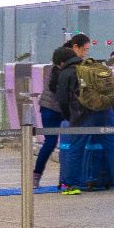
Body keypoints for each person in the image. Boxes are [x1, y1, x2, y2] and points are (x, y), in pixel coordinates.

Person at [56, 34, 114, 193]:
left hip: (82, 113)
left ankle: (72, 185)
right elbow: (107, 88)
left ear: (62, 61)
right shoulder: (95, 66)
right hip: (105, 111)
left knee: (76, 147)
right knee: (112, 145)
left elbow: (62, 98)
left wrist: (67, 116)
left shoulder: (67, 72)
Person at [32, 43, 76, 190]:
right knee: (50, 142)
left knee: (61, 143)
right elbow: (61, 93)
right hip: (50, 109)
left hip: (56, 109)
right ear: (63, 62)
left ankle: (64, 178)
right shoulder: (59, 73)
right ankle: (36, 176)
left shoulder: (60, 69)